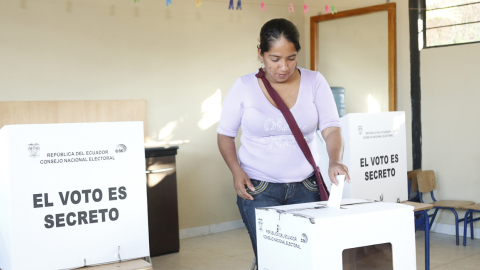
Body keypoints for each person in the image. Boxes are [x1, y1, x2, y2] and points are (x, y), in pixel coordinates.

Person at [216, 18, 350, 266]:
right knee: (272, 259)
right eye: (274, 59)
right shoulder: (244, 86)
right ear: (261, 54)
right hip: (258, 189)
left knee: (310, 258)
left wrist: (335, 161)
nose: (283, 67)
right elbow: (225, 134)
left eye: (291, 58)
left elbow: (331, 127)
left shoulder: (315, 81)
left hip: (307, 187)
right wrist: (236, 170)